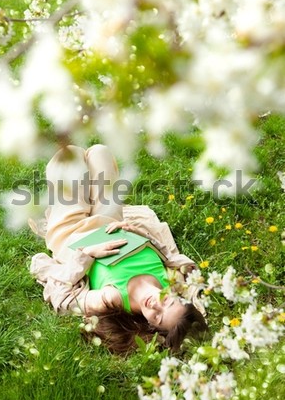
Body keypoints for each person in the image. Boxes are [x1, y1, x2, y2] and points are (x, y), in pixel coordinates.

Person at [29, 144, 207, 354]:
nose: (154, 305)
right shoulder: (170, 279)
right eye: (166, 301)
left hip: (71, 233)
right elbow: (191, 278)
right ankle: (90, 199)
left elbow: (65, 298)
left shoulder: (112, 299)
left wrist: (87, 255)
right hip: (109, 223)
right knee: (100, 153)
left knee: (68, 156)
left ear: (153, 327)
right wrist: (135, 231)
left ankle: (75, 202)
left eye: (158, 317)